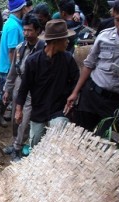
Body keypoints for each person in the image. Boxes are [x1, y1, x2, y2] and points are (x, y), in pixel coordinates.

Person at [66, 0, 119, 137]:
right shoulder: (104, 36)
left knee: (104, 144)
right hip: (91, 95)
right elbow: (89, 64)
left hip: (115, 104)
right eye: (117, 20)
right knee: (79, 136)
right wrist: (75, 92)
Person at [15, 19, 79, 148]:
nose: (68, 42)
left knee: (57, 137)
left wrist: (73, 97)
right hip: (39, 109)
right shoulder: (33, 61)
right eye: (65, 39)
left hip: (59, 109)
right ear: (56, 41)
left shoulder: (67, 59)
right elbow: (24, 87)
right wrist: (19, 109)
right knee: (36, 143)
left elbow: (76, 81)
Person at [2, 13, 45, 161]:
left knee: (25, 119)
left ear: (38, 31)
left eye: (30, 30)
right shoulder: (20, 48)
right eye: (25, 30)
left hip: (33, 88)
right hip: (19, 85)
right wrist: (7, 89)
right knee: (16, 117)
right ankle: (15, 142)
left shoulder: (42, 49)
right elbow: (13, 70)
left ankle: (19, 148)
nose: (26, 34)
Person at [0, 0, 28, 128]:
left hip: (6, 65)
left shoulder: (13, 24)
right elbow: (12, 50)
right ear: (22, 8)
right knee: (6, 92)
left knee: (7, 92)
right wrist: (15, 69)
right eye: (26, 7)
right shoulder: (13, 27)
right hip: (8, 67)